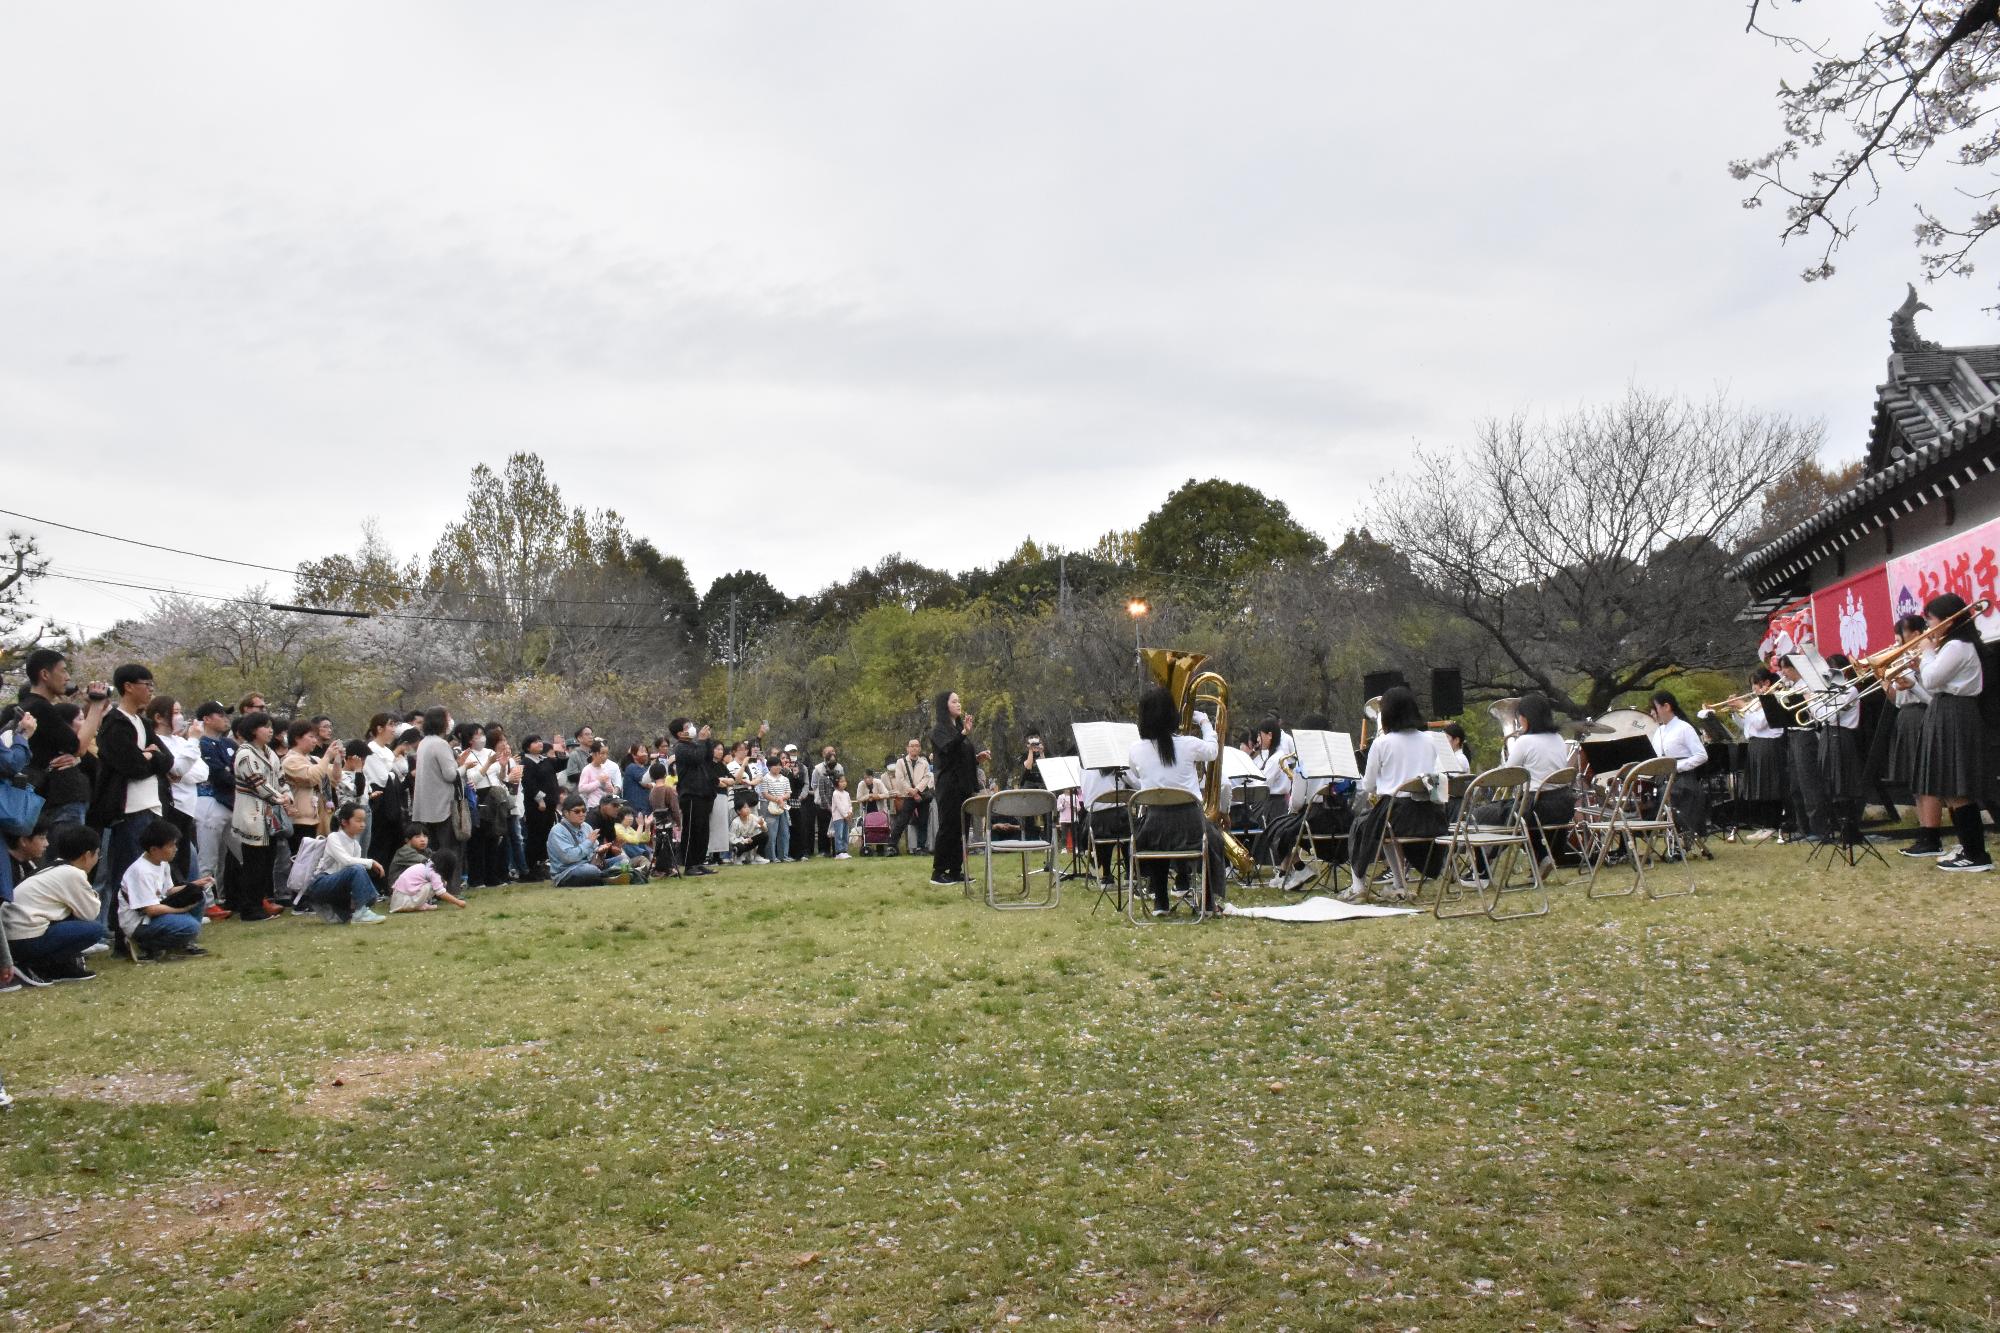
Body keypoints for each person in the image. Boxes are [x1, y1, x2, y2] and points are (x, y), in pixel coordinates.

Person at [88, 664, 175, 940]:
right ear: (128, 686)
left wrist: (150, 756)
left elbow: (167, 760)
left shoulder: (144, 723)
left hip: (152, 805)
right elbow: (132, 766)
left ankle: (149, 928)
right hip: (127, 809)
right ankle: (123, 933)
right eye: (146, 684)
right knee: (126, 872)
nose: (150, 690)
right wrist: (147, 757)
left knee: (154, 870)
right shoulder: (114, 724)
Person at [1125, 685, 1227, 913]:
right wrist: (1205, 723)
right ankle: (1208, 902)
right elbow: (1213, 751)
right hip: (1191, 826)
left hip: (1154, 828)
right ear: (1173, 715)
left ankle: (1160, 901)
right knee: (1215, 840)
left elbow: (1137, 774)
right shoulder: (1189, 744)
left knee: (1157, 839)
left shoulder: (1135, 749)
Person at [1911, 592, 1991, 870]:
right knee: (1949, 786)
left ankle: (1976, 854)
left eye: (1931, 620)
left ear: (1946, 620)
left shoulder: (1957, 645)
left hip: (1955, 713)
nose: (1928, 626)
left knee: (1958, 787)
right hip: (1947, 711)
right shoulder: (1950, 645)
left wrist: (1926, 652)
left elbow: (1932, 680)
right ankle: (1967, 848)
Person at [1344, 686, 1444, 898]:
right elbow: (1440, 777)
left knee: (1363, 824)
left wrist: (1385, 780)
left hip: (1398, 815)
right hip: (1431, 815)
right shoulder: (1432, 740)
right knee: (1383, 826)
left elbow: (1369, 785)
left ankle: (1358, 887)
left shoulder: (1382, 743)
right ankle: (1399, 884)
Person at [15, 648, 108, 830]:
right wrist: (96, 706)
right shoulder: (42, 708)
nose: (67, 677)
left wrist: (76, 757)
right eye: (63, 670)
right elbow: (79, 747)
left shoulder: (18, 707)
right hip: (49, 797)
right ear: (45, 674)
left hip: (27, 797)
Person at [3, 823, 107, 984]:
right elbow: (90, 913)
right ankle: (37, 965)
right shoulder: (72, 874)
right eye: (97, 855)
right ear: (86, 855)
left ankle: (57, 966)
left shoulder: (54, 867)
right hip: (25, 940)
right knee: (94, 929)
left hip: (12, 937)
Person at [119, 817, 209, 962]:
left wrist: (193, 886)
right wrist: (181, 910)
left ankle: (182, 942)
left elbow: (168, 890)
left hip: (153, 914)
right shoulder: (141, 871)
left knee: (197, 895)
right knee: (190, 926)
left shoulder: (161, 862)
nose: (176, 849)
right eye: (171, 845)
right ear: (154, 849)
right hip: (139, 923)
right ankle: (145, 946)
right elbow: (150, 909)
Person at [226, 712, 287, 920]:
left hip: (269, 816)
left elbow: (280, 777)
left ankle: (260, 901)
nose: (270, 731)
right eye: (265, 727)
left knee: (267, 861)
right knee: (253, 863)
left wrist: (286, 794)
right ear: (253, 730)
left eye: (271, 727)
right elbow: (257, 783)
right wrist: (279, 798)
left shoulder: (269, 752)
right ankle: (249, 908)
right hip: (251, 813)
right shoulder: (245, 754)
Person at [928, 693, 980, 887]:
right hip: (949, 787)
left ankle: (956, 870)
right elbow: (948, 750)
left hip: (964, 786)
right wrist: (964, 734)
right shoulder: (938, 730)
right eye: (954, 701)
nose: (959, 704)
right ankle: (938, 871)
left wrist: (976, 758)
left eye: (959, 700)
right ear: (944, 705)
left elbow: (962, 755)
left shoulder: (959, 728)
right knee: (948, 827)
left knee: (963, 829)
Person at [306, 803, 388, 924]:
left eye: (364, 821)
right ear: (344, 822)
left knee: (344, 918)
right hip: (320, 883)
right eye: (358, 820)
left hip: (339, 887)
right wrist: (371, 862)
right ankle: (360, 913)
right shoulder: (334, 837)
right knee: (357, 869)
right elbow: (346, 861)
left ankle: (357, 910)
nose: (363, 824)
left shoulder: (356, 845)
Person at [1734, 669, 1790, 839]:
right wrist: (1736, 711)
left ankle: (1772, 825)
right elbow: (1746, 725)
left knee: (1769, 786)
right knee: (1758, 787)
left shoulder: (1774, 698)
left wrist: (1744, 706)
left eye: (1755, 685)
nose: (1753, 689)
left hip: (1769, 744)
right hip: (1756, 744)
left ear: (1765, 683)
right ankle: (1764, 824)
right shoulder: (1757, 703)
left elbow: (1759, 723)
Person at [1884, 615, 1933, 806]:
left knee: (1924, 776)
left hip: (1922, 713)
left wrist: (1913, 682)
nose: (1897, 646)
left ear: (1915, 634)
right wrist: (1884, 681)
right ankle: (1924, 826)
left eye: (1899, 641)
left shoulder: (1926, 658)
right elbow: (1896, 700)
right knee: (1913, 780)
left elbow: (1931, 694)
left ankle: (1930, 829)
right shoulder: (1903, 660)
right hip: (1905, 715)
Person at [1813, 657, 1862, 844]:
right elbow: (1818, 718)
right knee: (1829, 782)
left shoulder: (1849, 689)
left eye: (1832, 670)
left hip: (1841, 735)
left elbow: (1829, 715)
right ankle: (1835, 827)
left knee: (1842, 783)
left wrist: (1812, 701)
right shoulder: (1829, 691)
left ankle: (1850, 830)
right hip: (1827, 734)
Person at [193, 701, 236, 909]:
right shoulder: (200, 743)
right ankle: (207, 902)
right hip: (208, 801)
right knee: (208, 856)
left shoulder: (229, 745)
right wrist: (228, 772)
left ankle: (244, 895)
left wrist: (230, 772)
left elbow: (237, 770)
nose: (225, 718)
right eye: (220, 715)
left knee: (242, 852)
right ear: (207, 719)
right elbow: (217, 772)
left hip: (231, 803)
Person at [410, 706, 462, 868]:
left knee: (433, 850)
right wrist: (464, 767)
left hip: (426, 806)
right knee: (449, 850)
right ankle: (449, 888)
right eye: (448, 718)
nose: (450, 722)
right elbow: (450, 775)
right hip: (443, 805)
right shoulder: (441, 744)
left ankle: (436, 886)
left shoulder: (424, 743)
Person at [670, 719, 719, 876]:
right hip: (690, 794)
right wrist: (702, 740)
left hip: (704, 793)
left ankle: (699, 861)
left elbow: (707, 757)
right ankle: (689, 864)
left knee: (703, 831)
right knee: (691, 830)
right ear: (679, 733)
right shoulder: (681, 748)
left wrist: (708, 740)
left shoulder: (695, 745)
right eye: (687, 727)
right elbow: (697, 757)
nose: (691, 729)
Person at [280, 720, 339, 850]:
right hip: (299, 820)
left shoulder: (314, 759)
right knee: (299, 862)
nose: (314, 741)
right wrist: (327, 757)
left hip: (317, 819)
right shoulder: (289, 760)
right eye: (311, 736)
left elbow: (335, 779)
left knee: (312, 864)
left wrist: (338, 760)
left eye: (315, 737)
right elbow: (311, 777)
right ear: (297, 738)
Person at [548, 795, 621, 886]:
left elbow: (594, 853)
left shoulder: (586, 826)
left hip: (590, 864)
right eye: (577, 811)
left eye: (584, 811)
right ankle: (611, 876)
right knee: (591, 870)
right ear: (566, 813)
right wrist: (588, 842)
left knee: (622, 860)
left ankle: (611, 875)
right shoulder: (557, 831)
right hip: (567, 871)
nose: (582, 814)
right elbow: (569, 857)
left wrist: (600, 852)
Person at [519, 735, 561, 881]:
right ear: (528, 746)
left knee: (545, 835)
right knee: (535, 836)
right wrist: (540, 799)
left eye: (540, 741)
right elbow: (529, 784)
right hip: (537, 807)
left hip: (550, 804)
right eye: (535, 742)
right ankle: (531, 867)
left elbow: (561, 764)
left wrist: (560, 750)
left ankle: (542, 864)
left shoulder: (544, 760)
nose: (539, 743)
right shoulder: (527, 762)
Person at [886, 738, 934, 856]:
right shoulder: (900, 762)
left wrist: (917, 790)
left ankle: (921, 847)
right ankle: (892, 846)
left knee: (923, 821)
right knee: (902, 821)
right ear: (907, 748)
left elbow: (927, 777)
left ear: (920, 748)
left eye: (917, 746)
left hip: (922, 794)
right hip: (908, 795)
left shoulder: (924, 762)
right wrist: (912, 791)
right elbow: (900, 779)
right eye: (912, 746)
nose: (914, 748)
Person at [390, 848, 467, 912]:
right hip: (403, 903)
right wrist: (458, 902)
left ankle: (419, 905)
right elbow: (441, 893)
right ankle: (417, 905)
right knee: (434, 886)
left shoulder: (428, 864)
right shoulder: (433, 873)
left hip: (397, 900)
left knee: (440, 883)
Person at [759, 757, 792, 863]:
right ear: (769, 766)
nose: (778, 767)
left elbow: (788, 793)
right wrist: (777, 800)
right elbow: (765, 794)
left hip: (783, 808)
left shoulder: (785, 779)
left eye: (779, 765)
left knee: (785, 833)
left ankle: (784, 856)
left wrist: (782, 799)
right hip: (770, 808)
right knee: (771, 833)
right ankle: (772, 856)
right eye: (775, 765)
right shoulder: (765, 778)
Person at [828, 773, 853, 858]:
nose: (844, 783)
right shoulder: (835, 794)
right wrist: (846, 815)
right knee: (839, 835)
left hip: (846, 817)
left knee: (846, 834)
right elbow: (839, 807)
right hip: (838, 818)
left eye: (844, 781)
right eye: (841, 781)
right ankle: (839, 852)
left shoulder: (846, 793)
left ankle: (845, 850)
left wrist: (850, 812)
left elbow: (850, 804)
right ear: (836, 783)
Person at [621, 744, 653, 812]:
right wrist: (653, 765)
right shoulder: (632, 767)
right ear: (634, 755)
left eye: (646, 752)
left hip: (645, 808)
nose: (645, 754)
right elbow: (644, 781)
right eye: (642, 752)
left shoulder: (644, 769)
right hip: (635, 810)